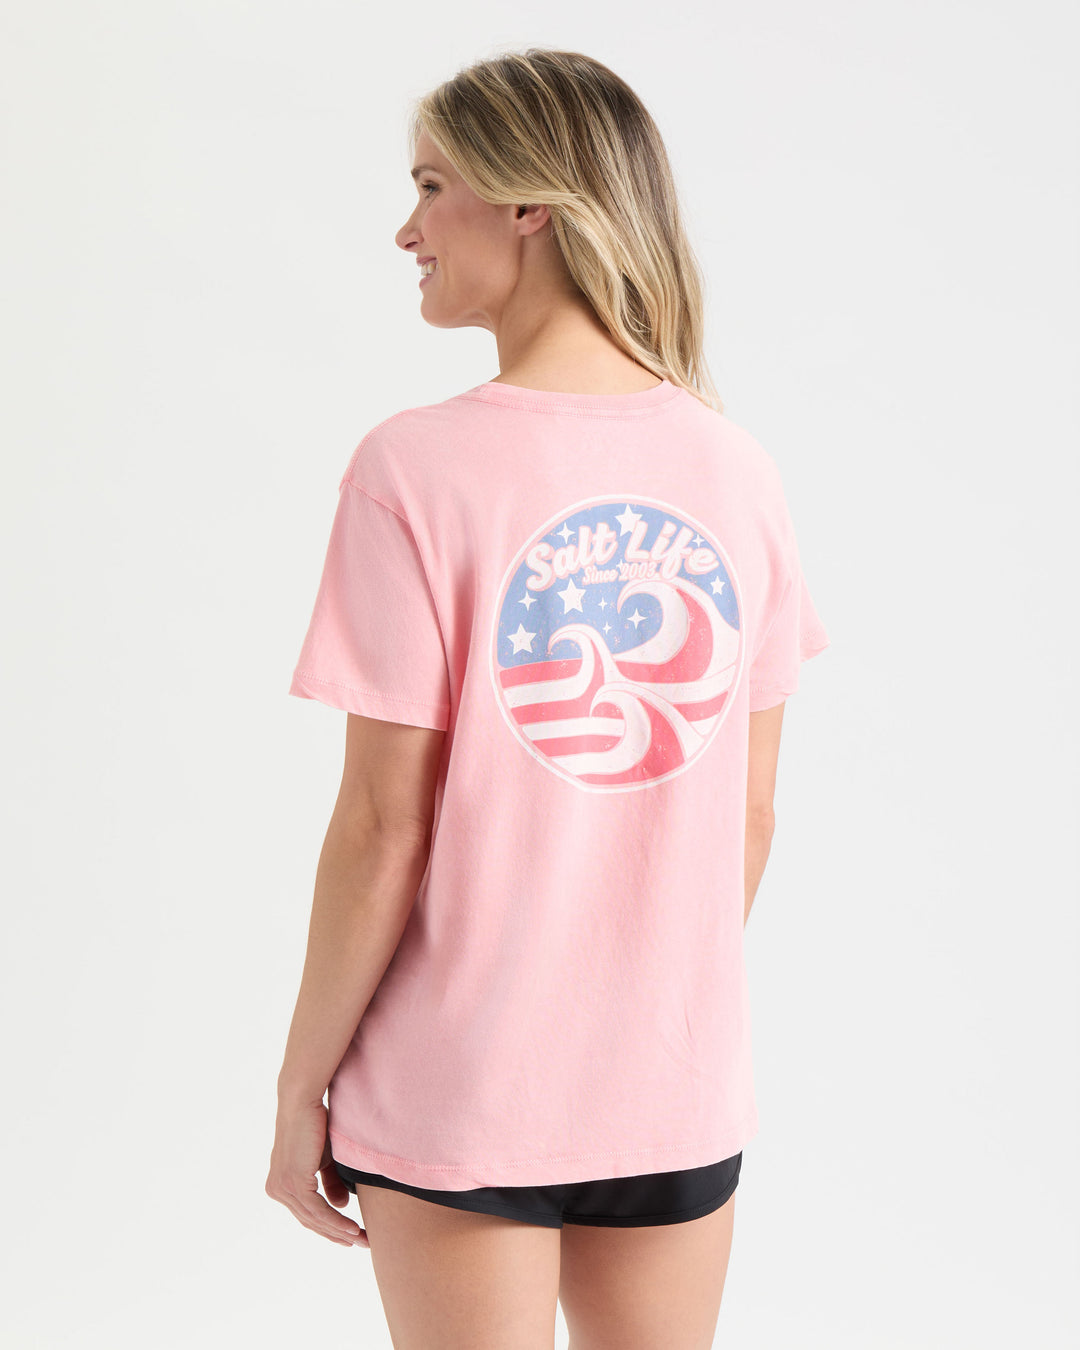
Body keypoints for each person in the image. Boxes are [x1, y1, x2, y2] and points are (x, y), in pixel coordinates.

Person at [266, 46, 830, 1350]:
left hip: (462, 1085)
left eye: (431, 186)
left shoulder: (414, 469)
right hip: (672, 1087)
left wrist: (302, 1085)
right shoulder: (737, 469)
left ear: (529, 203)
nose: (407, 230)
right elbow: (749, 817)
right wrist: (643, 1006)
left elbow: (383, 831)